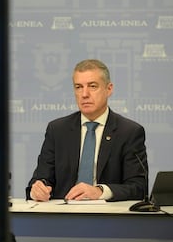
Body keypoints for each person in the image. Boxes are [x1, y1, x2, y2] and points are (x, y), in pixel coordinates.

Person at [27, 59, 147, 202]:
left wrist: (100, 191)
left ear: (109, 89)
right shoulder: (57, 130)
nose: (84, 94)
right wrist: (38, 189)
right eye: (78, 87)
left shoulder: (129, 132)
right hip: (63, 216)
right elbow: (41, 179)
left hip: (109, 218)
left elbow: (139, 188)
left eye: (92, 86)